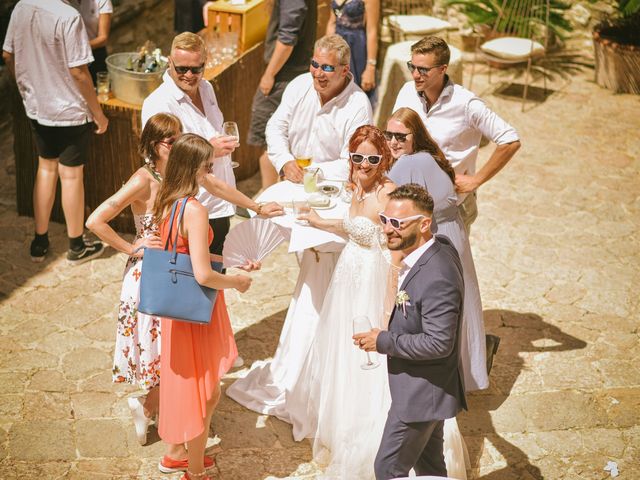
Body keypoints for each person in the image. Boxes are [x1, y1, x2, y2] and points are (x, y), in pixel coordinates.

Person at [226, 34, 373, 419]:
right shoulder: (296, 86)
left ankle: (327, 355)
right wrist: (285, 158)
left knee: (324, 260)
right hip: (295, 186)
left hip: (333, 194)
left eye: (327, 68)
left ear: (345, 70)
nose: (318, 73)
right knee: (274, 226)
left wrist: (309, 170)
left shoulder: (358, 104)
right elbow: (275, 128)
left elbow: (351, 161)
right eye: (314, 64)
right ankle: (309, 349)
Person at [142, 32, 283, 367]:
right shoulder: (157, 104)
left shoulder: (206, 88)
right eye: (182, 69)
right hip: (190, 206)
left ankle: (216, 348)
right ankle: (197, 354)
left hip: (216, 202)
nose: (190, 76)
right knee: (195, 281)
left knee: (212, 277)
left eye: (197, 68)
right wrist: (212, 148)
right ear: (169, 62)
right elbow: (161, 158)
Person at [284, 125, 395, 478]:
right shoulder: (358, 187)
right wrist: (321, 221)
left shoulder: (387, 193)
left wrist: (389, 308)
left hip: (372, 280)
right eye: (358, 156)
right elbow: (353, 227)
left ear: (384, 159)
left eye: (372, 158)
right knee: (341, 351)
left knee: (367, 354)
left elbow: (394, 251)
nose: (364, 164)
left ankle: (368, 432)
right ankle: (341, 423)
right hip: (347, 275)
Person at [152, 133, 253, 480]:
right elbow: (202, 274)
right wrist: (236, 281)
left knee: (192, 386)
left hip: (176, 310)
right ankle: (194, 471)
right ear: (193, 166)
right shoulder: (195, 209)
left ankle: (179, 455)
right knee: (204, 392)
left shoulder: (167, 201)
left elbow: (184, 255)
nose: (211, 169)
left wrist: (230, 264)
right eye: (207, 164)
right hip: (198, 309)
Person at [354, 183, 467, 480]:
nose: (388, 229)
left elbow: (439, 343)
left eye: (398, 223)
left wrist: (383, 340)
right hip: (427, 388)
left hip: (422, 393)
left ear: (424, 224)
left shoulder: (437, 276)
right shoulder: (438, 246)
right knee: (430, 467)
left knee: (388, 469)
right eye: (384, 220)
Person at [385, 107, 488, 392]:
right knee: (457, 305)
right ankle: (467, 371)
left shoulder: (406, 165)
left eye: (400, 136)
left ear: (414, 137)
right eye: (388, 135)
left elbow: (393, 210)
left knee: (430, 308)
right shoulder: (432, 157)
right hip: (453, 234)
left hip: (437, 238)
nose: (393, 142)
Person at [3, 0, 108, 264]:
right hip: (69, 109)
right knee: (71, 176)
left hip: (38, 107)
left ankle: (40, 242)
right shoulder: (68, 16)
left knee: (46, 168)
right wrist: (98, 114)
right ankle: (76, 247)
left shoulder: (21, 7)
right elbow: (79, 72)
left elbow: (8, 55)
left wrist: (25, 88)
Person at [392, 35, 521, 234]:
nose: (415, 75)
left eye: (423, 70)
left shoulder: (467, 104)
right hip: (410, 201)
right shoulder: (406, 91)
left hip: (451, 207)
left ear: (443, 69)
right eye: (412, 67)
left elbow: (510, 140)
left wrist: (476, 180)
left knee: (451, 264)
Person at [248, 0, 317, 189]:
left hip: (285, 74)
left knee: (269, 139)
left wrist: (269, 74)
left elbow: (287, 40)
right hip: (292, 71)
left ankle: (269, 195)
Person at [326, 0, 379, 102]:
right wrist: (327, 51)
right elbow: (331, 23)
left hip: (356, 50)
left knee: (355, 95)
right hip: (337, 48)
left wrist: (370, 67)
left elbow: (372, 31)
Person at [78, 0, 113, 83]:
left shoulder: (102, 1)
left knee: (100, 89)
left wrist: (79, 48)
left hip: (95, 53)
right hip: (72, 57)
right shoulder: (65, 3)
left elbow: (103, 38)